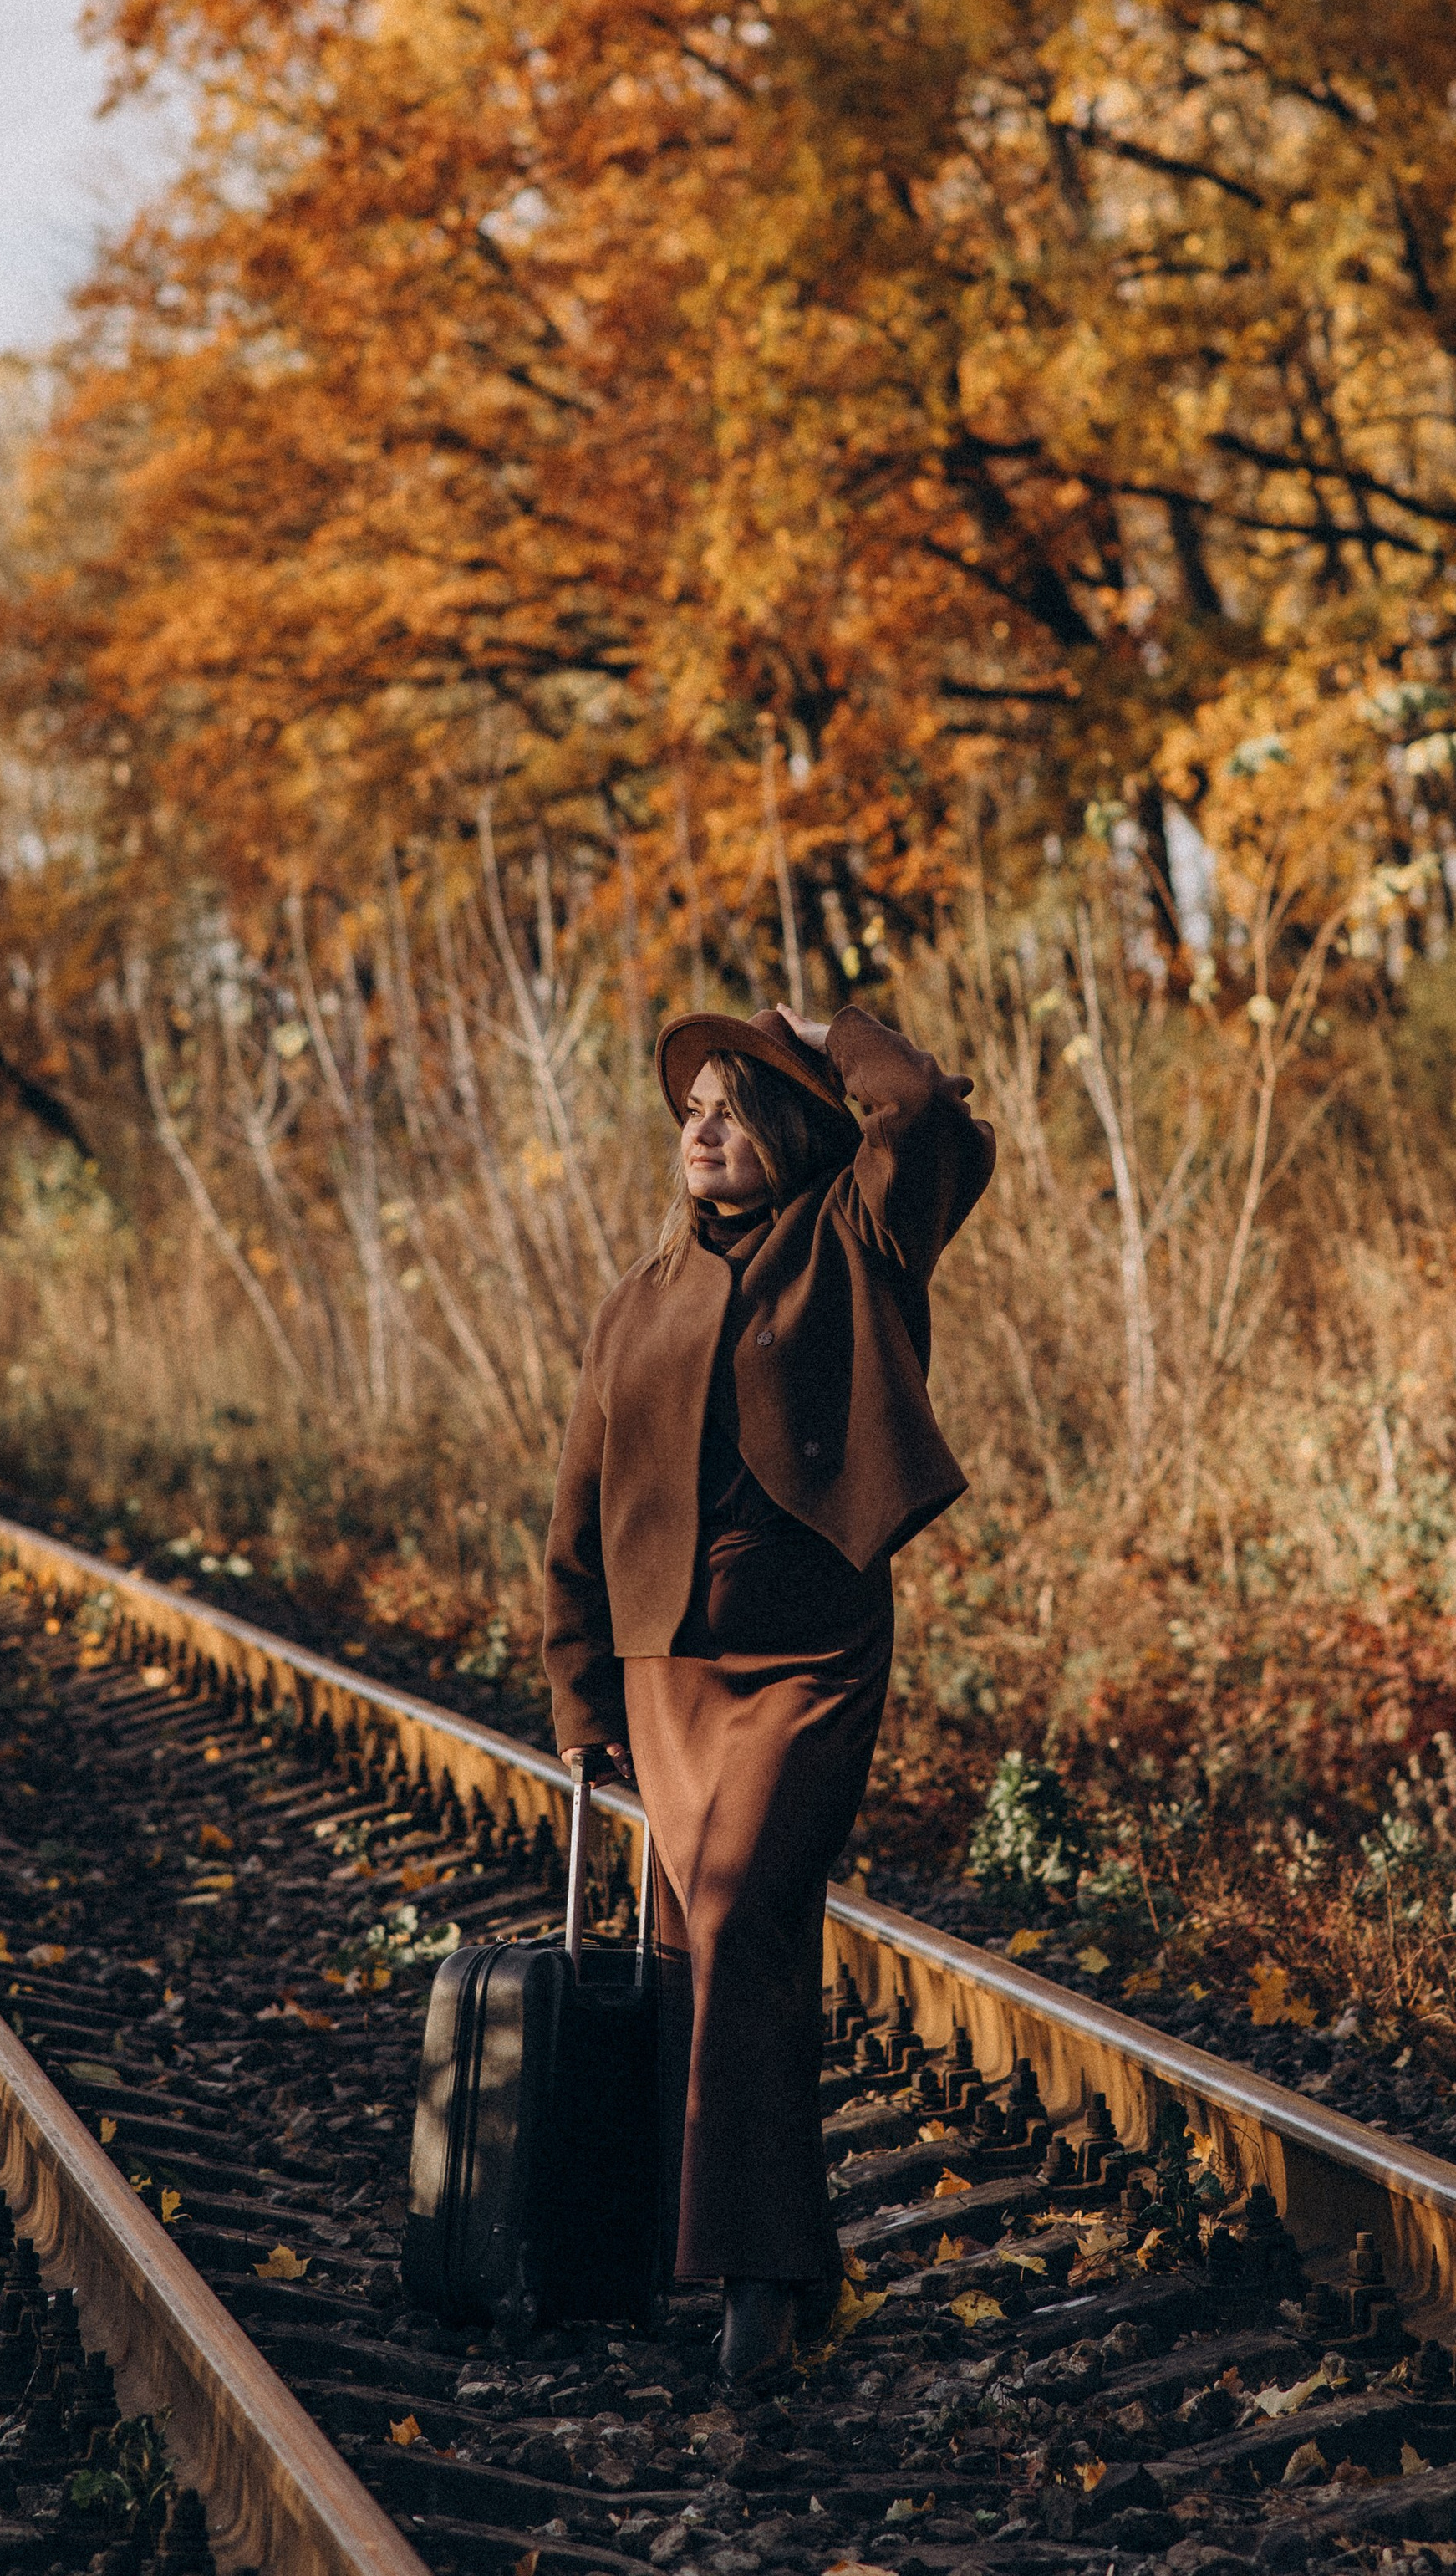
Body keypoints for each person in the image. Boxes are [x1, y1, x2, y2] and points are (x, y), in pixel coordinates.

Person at [543, 997, 995, 2386]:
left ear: (795, 1127)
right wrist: (579, 1699)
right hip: (667, 1665)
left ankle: (755, 2286)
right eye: (694, 1109)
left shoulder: (857, 1241)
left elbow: (924, 1119)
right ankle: (775, 2257)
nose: (704, 1126)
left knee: (739, 1917)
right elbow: (576, 1508)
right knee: (707, 1957)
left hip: (809, 1656)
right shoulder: (640, 1297)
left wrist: (836, 1029)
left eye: (736, 1105)